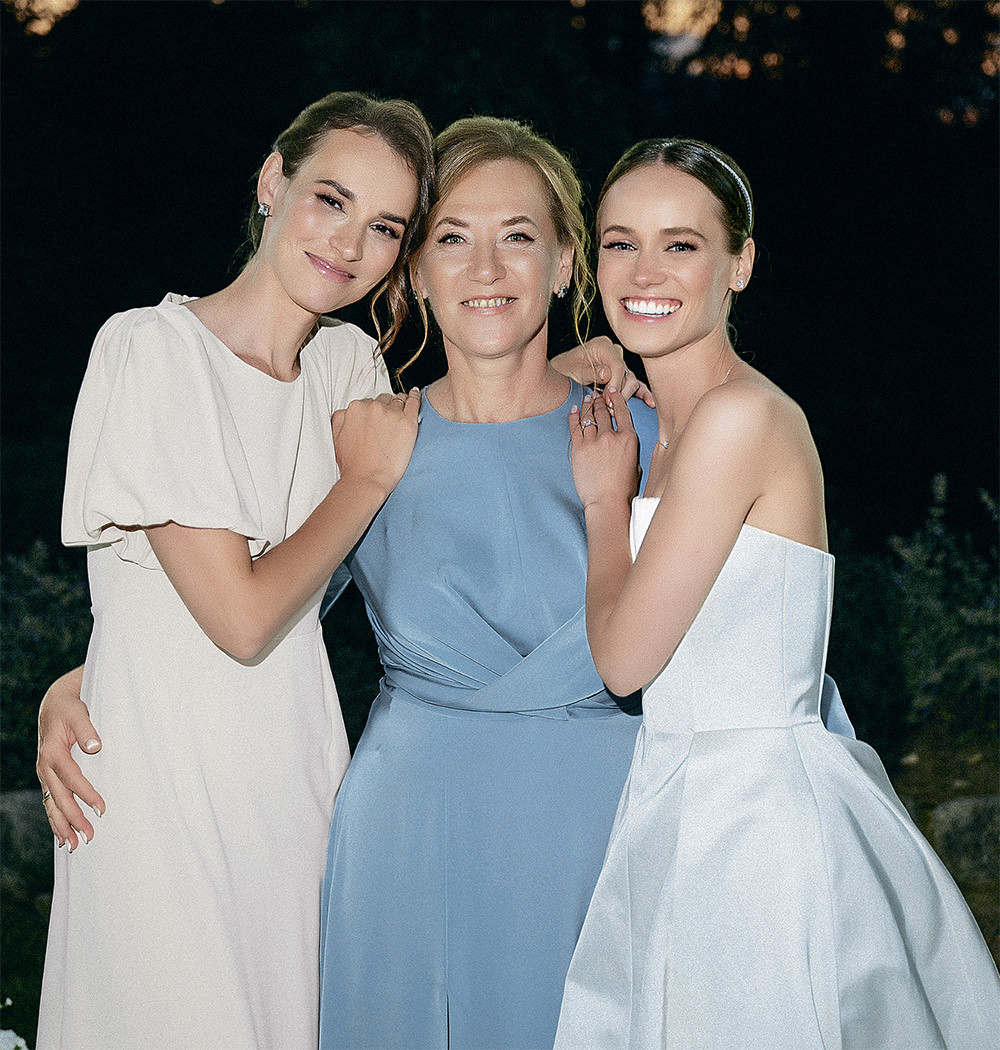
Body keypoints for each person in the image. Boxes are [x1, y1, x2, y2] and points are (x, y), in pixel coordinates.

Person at [553, 139, 1000, 1049]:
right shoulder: (669, 425)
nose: (643, 272)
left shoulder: (739, 419)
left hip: (748, 821)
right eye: (620, 244)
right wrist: (580, 359)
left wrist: (604, 505)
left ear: (740, 263)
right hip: (679, 794)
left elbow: (624, 663)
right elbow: (502, 398)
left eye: (681, 245)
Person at [33, 90, 435, 1050]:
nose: (349, 244)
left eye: (385, 227)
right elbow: (243, 619)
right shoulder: (153, 350)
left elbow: (323, 583)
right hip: (162, 789)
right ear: (271, 181)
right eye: (330, 199)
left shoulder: (348, 369)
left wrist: (583, 364)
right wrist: (365, 479)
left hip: (294, 781)